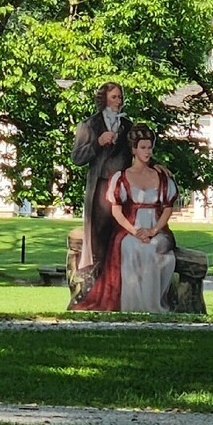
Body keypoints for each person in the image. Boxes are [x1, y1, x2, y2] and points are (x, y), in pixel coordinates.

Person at [73, 123, 178, 313]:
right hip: (130, 229)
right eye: (143, 147)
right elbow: (117, 212)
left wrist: (153, 231)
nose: (147, 152)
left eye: (150, 147)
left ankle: (153, 305)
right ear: (133, 149)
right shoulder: (121, 178)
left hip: (158, 230)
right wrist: (135, 232)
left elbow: (167, 210)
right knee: (130, 247)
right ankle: (132, 305)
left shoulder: (162, 177)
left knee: (152, 249)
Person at [70, 82, 132, 282]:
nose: (118, 101)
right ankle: (98, 282)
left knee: (121, 236)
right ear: (104, 99)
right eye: (114, 97)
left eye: (120, 97)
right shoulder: (89, 125)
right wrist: (98, 142)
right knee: (99, 237)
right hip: (100, 188)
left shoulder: (127, 126)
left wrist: (156, 166)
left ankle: (118, 283)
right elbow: (77, 157)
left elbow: (140, 152)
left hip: (123, 189)